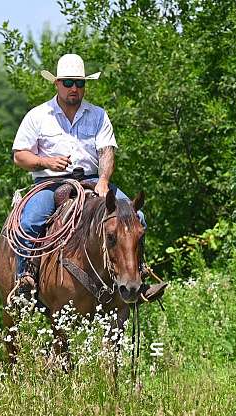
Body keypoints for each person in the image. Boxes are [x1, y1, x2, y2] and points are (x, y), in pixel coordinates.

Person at [11, 53, 164, 302]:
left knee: (137, 218)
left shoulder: (98, 115)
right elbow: (20, 156)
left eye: (79, 83)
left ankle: (139, 275)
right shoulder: (38, 116)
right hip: (50, 183)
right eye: (69, 82)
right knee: (30, 221)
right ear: (57, 83)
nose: (74, 88)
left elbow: (106, 152)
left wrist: (103, 180)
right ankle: (25, 280)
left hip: (92, 180)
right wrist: (45, 161)